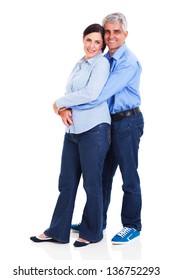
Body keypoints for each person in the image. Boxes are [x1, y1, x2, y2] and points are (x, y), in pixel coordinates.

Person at [30, 23, 111, 247]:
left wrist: (58, 103)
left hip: (94, 130)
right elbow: (71, 93)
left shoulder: (101, 64)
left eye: (97, 42)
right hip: (73, 131)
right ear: (83, 39)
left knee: (92, 184)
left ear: (102, 46)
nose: (92, 45)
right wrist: (63, 109)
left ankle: (93, 232)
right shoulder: (80, 63)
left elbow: (90, 93)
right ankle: (57, 230)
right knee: (66, 182)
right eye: (89, 40)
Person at [70, 12, 144, 244]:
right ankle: (95, 222)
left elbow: (98, 95)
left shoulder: (127, 62)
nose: (111, 36)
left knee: (129, 177)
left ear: (125, 34)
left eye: (116, 32)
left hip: (127, 123)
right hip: (107, 123)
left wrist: (64, 105)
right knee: (102, 176)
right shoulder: (103, 59)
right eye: (108, 32)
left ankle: (132, 225)